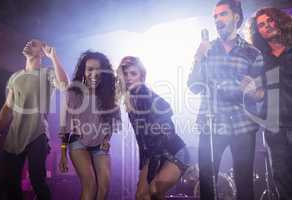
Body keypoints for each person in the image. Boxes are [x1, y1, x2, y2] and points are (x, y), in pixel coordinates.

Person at [187, 0, 265, 199]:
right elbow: (194, 86)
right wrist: (198, 57)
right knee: (206, 181)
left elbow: (259, 93)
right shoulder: (207, 49)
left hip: (243, 125)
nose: (217, 20)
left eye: (222, 14)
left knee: (244, 183)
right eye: (215, 16)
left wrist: (251, 91)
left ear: (236, 17)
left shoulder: (252, 53)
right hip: (211, 123)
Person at [0, 39, 69, 200]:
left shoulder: (47, 73)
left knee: (37, 181)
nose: (28, 43)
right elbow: (7, 107)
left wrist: (53, 57)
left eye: (33, 43)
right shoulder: (15, 77)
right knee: (11, 184)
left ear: (42, 53)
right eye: (28, 42)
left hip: (37, 133)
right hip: (14, 136)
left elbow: (64, 84)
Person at [117, 56, 191, 200]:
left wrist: (151, 169)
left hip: (174, 153)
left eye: (133, 74)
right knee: (141, 196)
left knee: (154, 190)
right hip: (152, 155)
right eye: (125, 74)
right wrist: (144, 168)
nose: (128, 78)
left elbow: (167, 112)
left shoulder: (145, 94)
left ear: (142, 76)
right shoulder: (132, 100)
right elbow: (142, 141)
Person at [58, 50, 120, 200]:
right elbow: (65, 124)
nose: (94, 74)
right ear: (83, 71)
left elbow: (111, 122)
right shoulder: (74, 92)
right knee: (90, 185)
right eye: (90, 69)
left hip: (99, 144)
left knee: (104, 187)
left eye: (98, 70)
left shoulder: (108, 95)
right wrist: (63, 154)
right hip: (78, 142)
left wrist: (106, 140)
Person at [248, 8, 292, 200]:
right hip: (275, 127)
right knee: (281, 177)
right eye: (261, 25)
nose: (266, 26)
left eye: (270, 21)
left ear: (279, 21)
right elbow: (256, 93)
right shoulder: (259, 60)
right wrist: (254, 93)